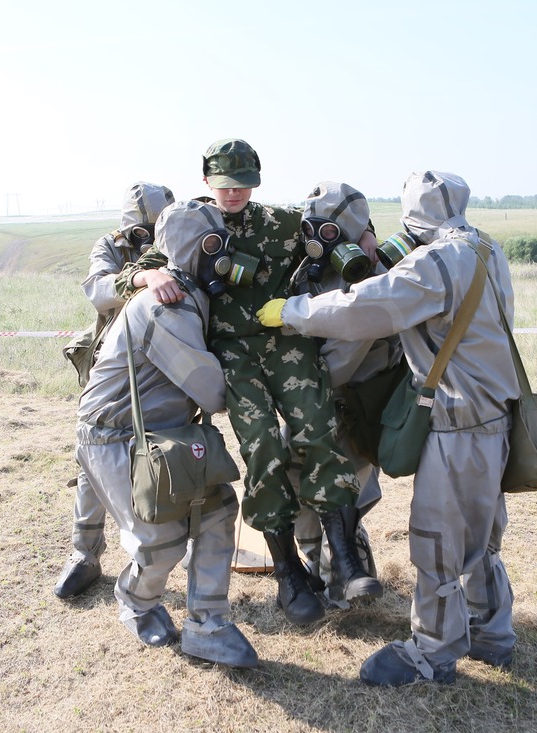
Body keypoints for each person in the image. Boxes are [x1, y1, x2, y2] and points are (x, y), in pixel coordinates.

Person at [256, 170, 520, 685]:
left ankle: (433, 652)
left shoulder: (439, 261)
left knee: (439, 539)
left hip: (457, 422)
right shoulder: (485, 247)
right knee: (479, 536)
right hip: (494, 417)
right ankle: (491, 631)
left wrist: (292, 311)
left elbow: (367, 308)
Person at [113, 139, 380, 626]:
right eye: (223, 185)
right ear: (206, 182)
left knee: (317, 428)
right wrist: (146, 280)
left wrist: (367, 239)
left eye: (243, 184)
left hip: (287, 339)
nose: (233, 193)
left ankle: (345, 557)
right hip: (234, 352)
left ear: (256, 182)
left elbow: (337, 226)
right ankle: (287, 573)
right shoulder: (193, 222)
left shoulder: (281, 221)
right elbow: (144, 262)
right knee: (261, 447)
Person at [75, 198, 257, 667]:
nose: (226, 255)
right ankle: (137, 602)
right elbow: (211, 390)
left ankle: (207, 624)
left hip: (167, 435)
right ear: (194, 248)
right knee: (163, 541)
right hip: (115, 436)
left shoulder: (194, 294)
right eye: (215, 245)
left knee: (217, 511)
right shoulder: (165, 304)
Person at [53, 182, 174, 600]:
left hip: (165, 372)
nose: (151, 238)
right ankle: (84, 555)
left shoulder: (183, 241)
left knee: (172, 458)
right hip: (112, 371)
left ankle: (164, 556)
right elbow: (98, 290)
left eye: (158, 230)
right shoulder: (109, 246)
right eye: (143, 231)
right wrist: (141, 275)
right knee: (92, 464)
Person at [287, 181, 398, 603]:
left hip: (354, 403)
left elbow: (338, 364)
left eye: (330, 231)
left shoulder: (372, 279)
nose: (316, 239)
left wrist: (288, 386)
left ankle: (347, 563)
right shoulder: (311, 270)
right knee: (298, 480)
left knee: (350, 485)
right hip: (312, 399)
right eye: (311, 228)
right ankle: (315, 560)